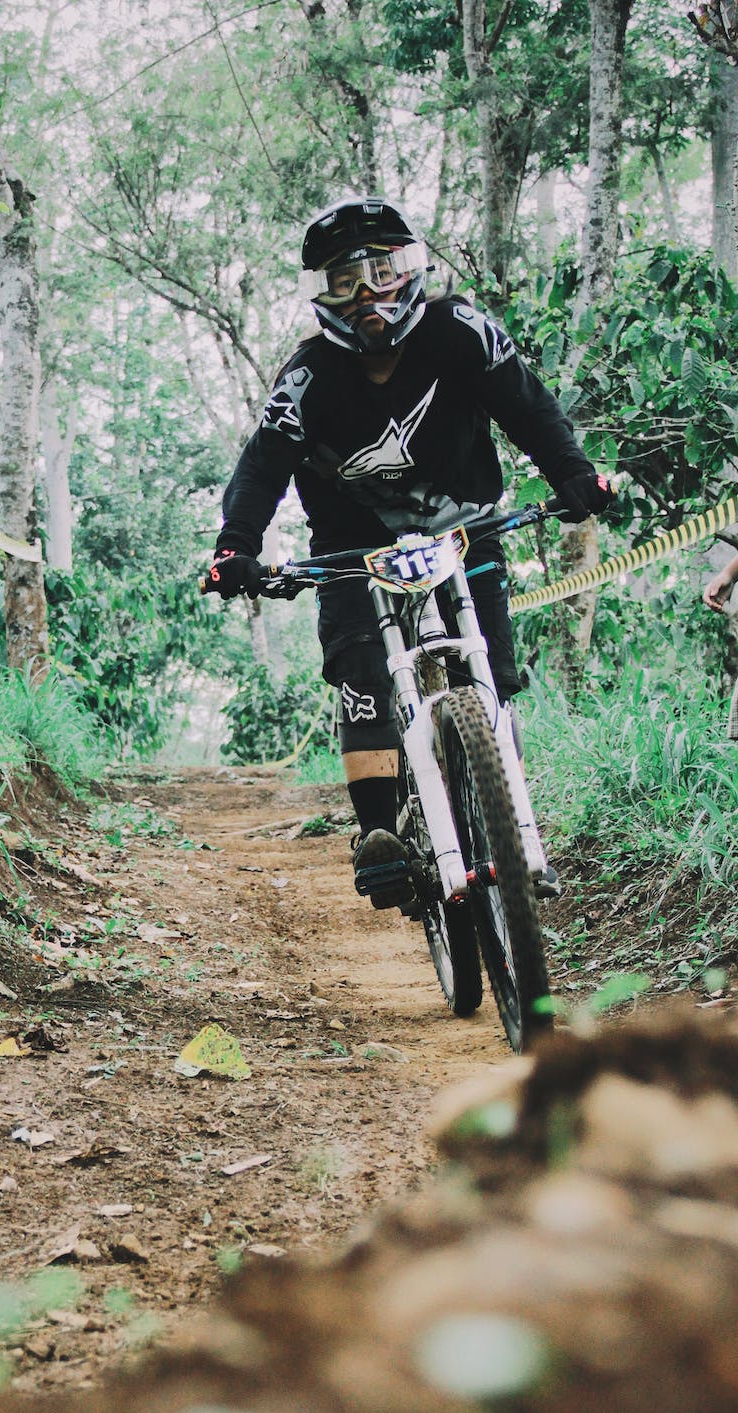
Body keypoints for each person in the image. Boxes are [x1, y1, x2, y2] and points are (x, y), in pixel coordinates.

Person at [205, 196, 612, 908]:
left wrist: (574, 478)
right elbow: (262, 466)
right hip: (353, 548)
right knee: (363, 669)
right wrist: (236, 547)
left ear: (412, 268)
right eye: (345, 282)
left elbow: (529, 406)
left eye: (384, 270)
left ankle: (515, 826)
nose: (369, 293)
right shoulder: (304, 379)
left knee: (494, 671)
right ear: (321, 296)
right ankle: (376, 836)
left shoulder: (462, 332)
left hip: (467, 527)